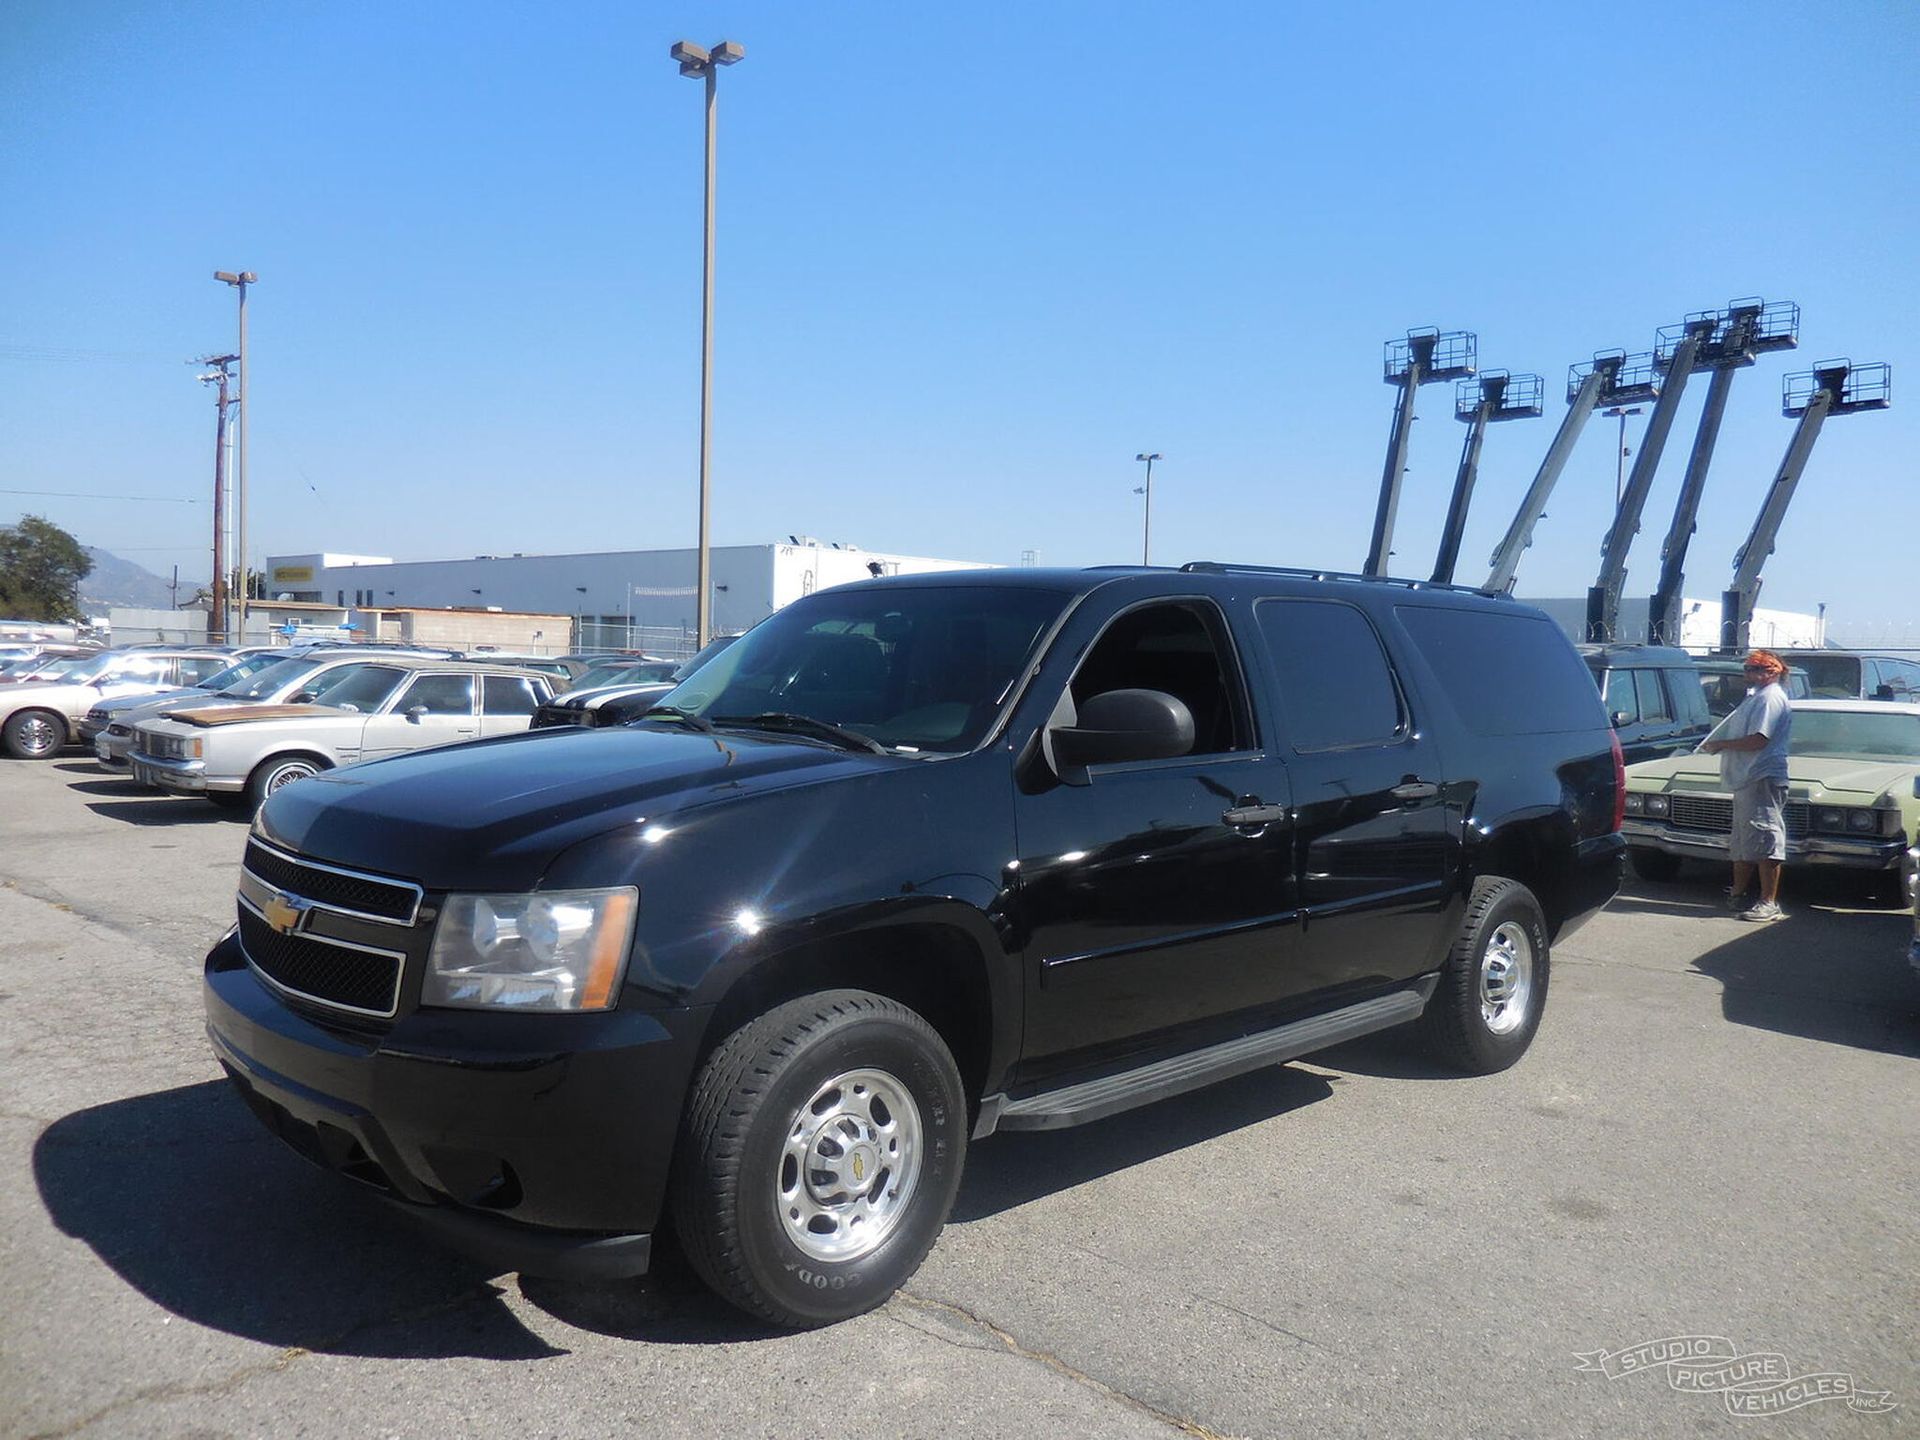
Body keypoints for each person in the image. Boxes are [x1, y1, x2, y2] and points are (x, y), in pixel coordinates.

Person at [1699, 649, 1794, 922]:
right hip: (1746, 778)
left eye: (1755, 669)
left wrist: (1721, 745)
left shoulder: (1771, 699)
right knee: (1743, 840)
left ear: (1771, 672)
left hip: (1762, 776)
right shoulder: (1756, 698)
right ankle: (1738, 893)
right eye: (1748, 668)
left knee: (1766, 837)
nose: (1748, 674)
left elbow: (1758, 740)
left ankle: (1769, 901)